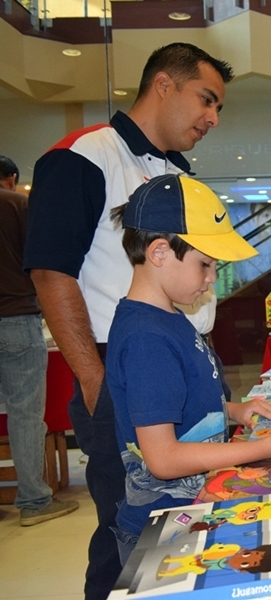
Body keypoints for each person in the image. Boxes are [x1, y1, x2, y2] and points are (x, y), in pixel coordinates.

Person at [23, 43, 234, 600]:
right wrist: (96, 387)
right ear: (163, 85)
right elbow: (51, 273)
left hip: (183, 362)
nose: (212, 117)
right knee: (128, 537)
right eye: (206, 100)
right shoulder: (86, 157)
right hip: (120, 370)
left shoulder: (173, 171)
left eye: (219, 108)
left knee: (185, 529)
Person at [106, 174, 271, 565]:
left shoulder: (168, 316)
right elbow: (163, 458)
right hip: (163, 528)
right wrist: (266, 448)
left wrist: (236, 410)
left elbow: (178, 405)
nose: (210, 279)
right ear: (158, 252)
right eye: (204, 265)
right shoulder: (146, 338)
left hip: (195, 507)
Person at [0, 156, 80, 526]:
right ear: (11, 179)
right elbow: (43, 265)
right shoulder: (17, 205)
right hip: (16, 317)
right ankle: (33, 500)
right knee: (25, 413)